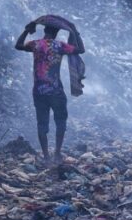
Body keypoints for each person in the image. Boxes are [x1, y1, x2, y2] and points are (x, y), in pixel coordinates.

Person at [15, 19, 85, 164]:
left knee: (42, 123)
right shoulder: (59, 46)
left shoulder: (36, 44)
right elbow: (80, 50)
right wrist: (75, 32)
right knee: (60, 121)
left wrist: (27, 30)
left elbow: (18, 45)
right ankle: (57, 153)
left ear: (44, 30)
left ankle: (46, 156)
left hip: (39, 91)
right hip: (56, 91)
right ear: (57, 32)